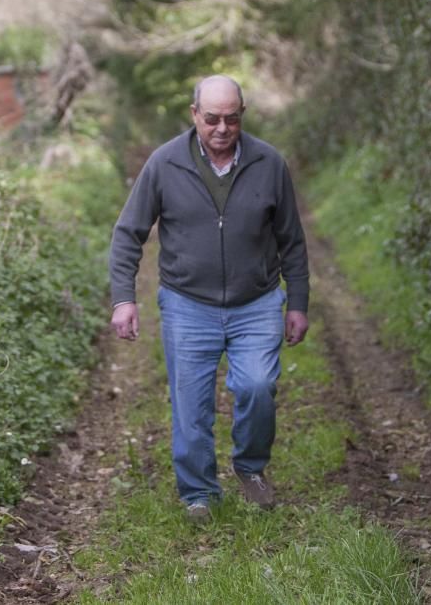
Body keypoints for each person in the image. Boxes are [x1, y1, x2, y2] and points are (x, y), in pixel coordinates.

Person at [108, 75, 310, 523]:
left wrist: (297, 303)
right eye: (213, 118)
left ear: (243, 116)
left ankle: (250, 467)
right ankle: (198, 493)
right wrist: (124, 299)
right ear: (195, 113)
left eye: (232, 119)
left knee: (257, 386)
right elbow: (128, 235)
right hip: (187, 303)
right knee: (191, 404)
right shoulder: (164, 164)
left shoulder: (269, 163)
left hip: (256, 302)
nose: (222, 128)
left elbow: (292, 241)